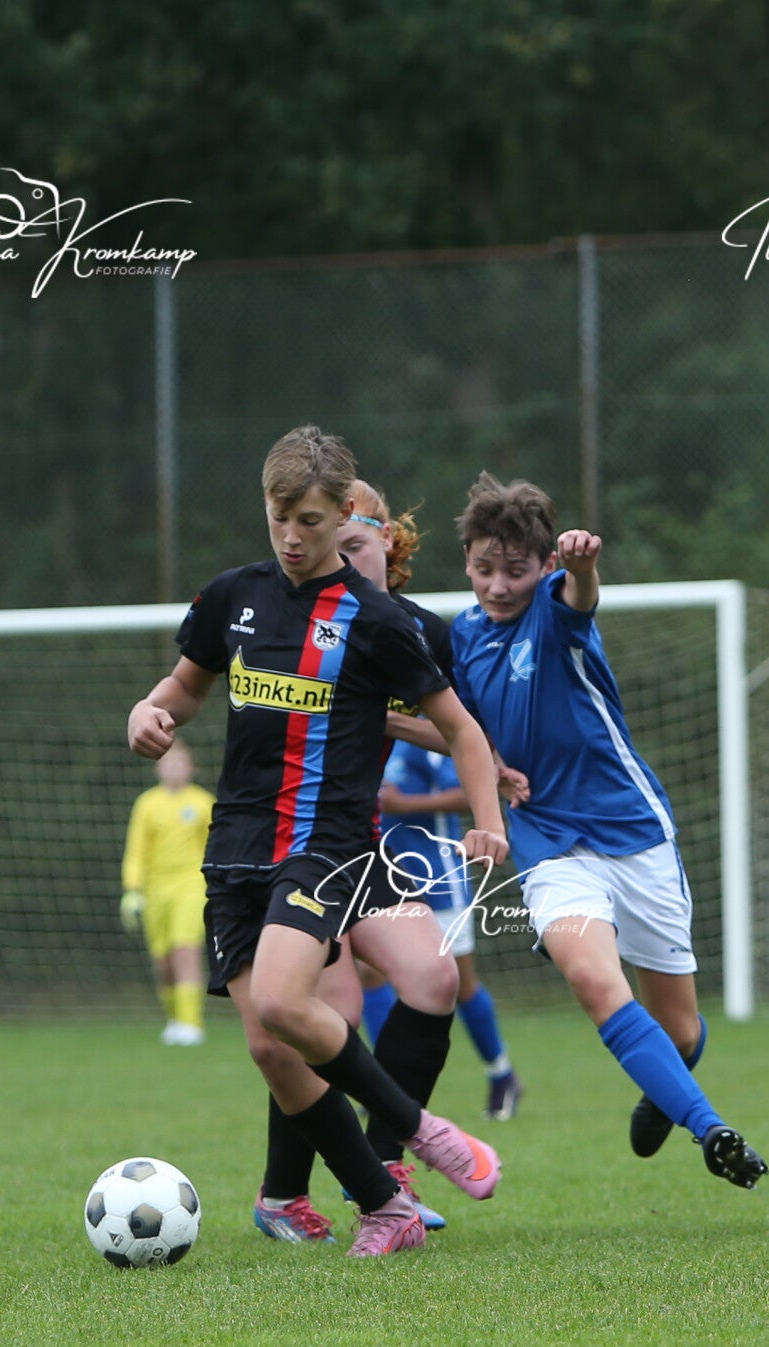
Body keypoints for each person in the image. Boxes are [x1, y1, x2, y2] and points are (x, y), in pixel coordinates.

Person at [127, 426, 509, 1257]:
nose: (292, 537)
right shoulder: (233, 596)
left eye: (309, 520)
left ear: (344, 515)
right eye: (279, 518)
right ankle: (379, 1206)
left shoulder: (377, 620)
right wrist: (147, 712)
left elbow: (461, 730)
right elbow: (184, 687)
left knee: (286, 1001)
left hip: (324, 843)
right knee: (272, 1043)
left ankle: (417, 1132)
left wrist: (487, 818)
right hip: (235, 847)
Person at [449, 473, 768, 1189]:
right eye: (483, 567)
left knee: (680, 1032)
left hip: (633, 830)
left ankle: (664, 1090)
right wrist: (489, 759)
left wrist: (582, 566)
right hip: (547, 843)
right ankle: (711, 1129)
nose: (497, 585)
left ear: (544, 567)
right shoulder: (462, 636)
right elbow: (457, 725)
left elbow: (580, 596)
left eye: (515, 569)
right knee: (594, 978)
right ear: (466, 561)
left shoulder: (553, 608)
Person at [251, 477, 513, 1242]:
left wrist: (485, 776)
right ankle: (289, 1191)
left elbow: (458, 728)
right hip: (294, 843)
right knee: (323, 1013)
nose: (335, 554)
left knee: (434, 975)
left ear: (383, 541)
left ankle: (383, 1162)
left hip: (359, 844)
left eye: (353, 543)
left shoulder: (414, 630)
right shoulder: (296, 614)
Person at [378, 738, 525, 1120]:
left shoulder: (427, 736)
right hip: (382, 878)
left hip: (437, 879)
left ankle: (502, 1074)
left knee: (460, 984)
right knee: (368, 974)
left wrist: (403, 805)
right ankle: (383, 1086)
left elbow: (467, 793)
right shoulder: (370, 731)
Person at [120, 736, 214, 1045]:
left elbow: (214, 848)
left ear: (191, 768)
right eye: (168, 763)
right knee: (163, 961)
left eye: (180, 763)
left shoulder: (203, 803)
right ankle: (174, 1020)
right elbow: (137, 850)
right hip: (156, 889)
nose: (174, 768)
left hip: (191, 885)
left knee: (185, 950)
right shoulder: (147, 804)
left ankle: (191, 1023)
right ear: (158, 768)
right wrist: (132, 890)